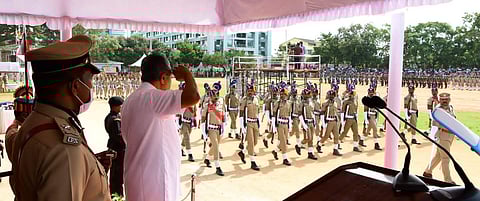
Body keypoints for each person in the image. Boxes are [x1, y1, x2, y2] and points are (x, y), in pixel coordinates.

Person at [6, 35, 111, 201]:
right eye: (90, 79)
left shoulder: (35, 122)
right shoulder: (64, 150)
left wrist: (89, 167)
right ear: (75, 86)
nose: (91, 86)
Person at [121, 54, 200, 201]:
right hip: (155, 184)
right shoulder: (152, 98)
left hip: (139, 180)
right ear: (163, 78)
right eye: (170, 78)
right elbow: (193, 97)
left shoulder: (130, 100)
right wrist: (187, 75)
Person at [423, 93, 456, 184]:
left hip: (450, 135)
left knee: (438, 156)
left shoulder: (451, 108)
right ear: (440, 100)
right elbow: (434, 125)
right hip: (443, 135)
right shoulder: (438, 110)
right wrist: (432, 136)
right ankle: (448, 180)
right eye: (442, 99)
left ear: (449, 99)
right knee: (446, 158)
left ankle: (427, 172)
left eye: (446, 99)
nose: (445, 101)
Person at [202, 86, 227, 175]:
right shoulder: (207, 105)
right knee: (216, 146)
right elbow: (203, 119)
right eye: (213, 96)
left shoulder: (221, 102)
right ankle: (218, 167)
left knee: (214, 146)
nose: (215, 97)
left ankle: (207, 159)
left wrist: (225, 126)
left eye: (216, 95)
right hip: (211, 128)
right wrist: (204, 133)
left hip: (219, 128)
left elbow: (223, 114)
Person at [105, 96, 125, 196]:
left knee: (114, 176)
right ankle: (117, 196)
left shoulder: (109, 117)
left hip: (113, 148)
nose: (122, 107)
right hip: (118, 151)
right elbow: (119, 136)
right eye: (121, 105)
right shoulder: (115, 119)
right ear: (115, 106)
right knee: (118, 177)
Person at [238, 83, 261, 171]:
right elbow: (241, 113)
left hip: (255, 122)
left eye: (251, 90)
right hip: (248, 123)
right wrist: (242, 126)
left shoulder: (256, 99)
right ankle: (252, 162)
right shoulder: (244, 100)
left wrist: (258, 122)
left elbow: (257, 112)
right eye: (249, 90)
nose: (250, 92)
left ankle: (242, 152)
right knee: (251, 143)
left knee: (255, 142)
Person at [272, 87, 292, 166]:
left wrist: (290, 125)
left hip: (286, 124)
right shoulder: (277, 103)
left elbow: (289, 115)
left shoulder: (289, 103)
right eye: (281, 94)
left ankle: (275, 151)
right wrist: (274, 126)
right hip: (279, 124)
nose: (282, 95)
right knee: (284, 142)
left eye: (284, 94)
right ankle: (285, 158)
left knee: (284, 140)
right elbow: (274, 115)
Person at [319, 90, 342, 156]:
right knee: (326, 136)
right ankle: (319, 144)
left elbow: (336, 111)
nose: (332, 96)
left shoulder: (335, 102)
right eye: (330, 95)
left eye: (333, 95)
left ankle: (335, 149)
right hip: (329, 121)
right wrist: (323, 123)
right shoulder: (325, 103)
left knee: (336, 135)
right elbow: (322, 113)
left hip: (334, 120)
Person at [178, 82, 197, 162]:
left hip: (190, 122)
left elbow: (194, 111)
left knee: (186, 138)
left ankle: (180, 149)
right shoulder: (182, 99)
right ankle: (190, 154)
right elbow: (178, 112)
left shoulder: (192, 98)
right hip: (184, 122)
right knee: (187, 137)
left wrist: (195, 119)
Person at [300, 87, 318, 160]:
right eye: (306, 95)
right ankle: (299, 145)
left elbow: (312, 112)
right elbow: (300, 114)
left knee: (311, 139)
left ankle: (310, 153)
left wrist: (314, 121)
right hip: (306, 122)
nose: (308, 96)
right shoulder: (302, 103)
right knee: (309, 138)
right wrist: (303, 124)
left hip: (311, 122)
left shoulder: (311, 103)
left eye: (308, 94)